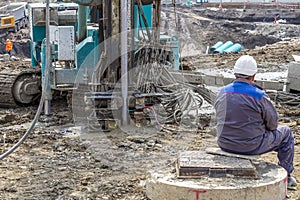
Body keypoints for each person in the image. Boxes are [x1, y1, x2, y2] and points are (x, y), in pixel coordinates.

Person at [214, 55, 297, 189]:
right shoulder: (259, 95)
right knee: (286, 133)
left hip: (225, 143)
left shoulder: (222, 92)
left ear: (235, 74)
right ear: (253, 76)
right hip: (251, 146)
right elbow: (273, 125)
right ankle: (286, 177)